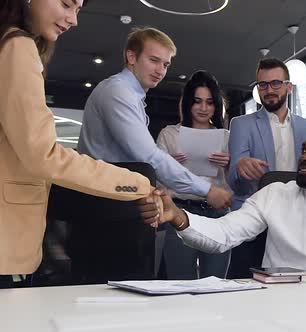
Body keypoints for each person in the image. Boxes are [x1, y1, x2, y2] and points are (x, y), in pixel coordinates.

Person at [0, 0, 156, 289]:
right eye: (66, 4)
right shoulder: (17, 46)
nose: (73, 19)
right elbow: (44, 155)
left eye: (78, 10)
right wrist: (140, 183)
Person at [139, 122, 306, 271]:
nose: (305, 157)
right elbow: (223, 234)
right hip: (278, 306)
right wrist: (177, 216)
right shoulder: (274, 194)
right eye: (304, 149)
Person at [78, 27, 232, 209]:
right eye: (154, 60)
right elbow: (148, 157)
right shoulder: (118, 92)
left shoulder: (131, 95)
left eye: (165, 65)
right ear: (131, 57)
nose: (160, 70)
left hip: (117, 198)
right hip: (104, 201)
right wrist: (208, 190)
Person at [156, 70, 231, 279]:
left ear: (216, 105)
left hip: (217, 215)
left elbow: (235, 185)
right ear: (188, 103)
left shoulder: (225, 137)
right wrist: (168, 165)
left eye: (209, 102)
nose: (204, 108)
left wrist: (228, 166)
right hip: (180, 211)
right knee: (180, 283)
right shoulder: (169, 134)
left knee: (215, 284)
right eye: (197, 101)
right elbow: (156, 181)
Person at [228, 58, 306, 210]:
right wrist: (240, 168)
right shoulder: (241, 124)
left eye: (276, 83)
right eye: (263, 85)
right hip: (257, 211)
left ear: (289, 87)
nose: (269, 91)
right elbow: (235, 184)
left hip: (298, 209)